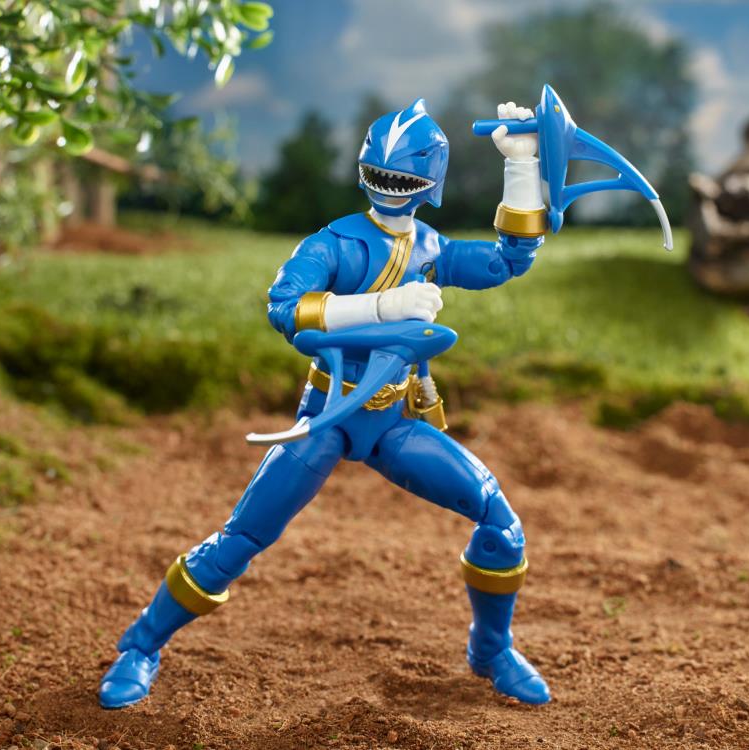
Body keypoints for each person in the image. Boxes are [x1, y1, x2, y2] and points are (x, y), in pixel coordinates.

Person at [99, 98, 551, 708]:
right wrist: (382, 307)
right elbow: (285, 308)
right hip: (329, 415)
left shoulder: (430, 248)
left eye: (403, 177)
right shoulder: (334, 243)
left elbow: (506, 261)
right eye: (380, 174)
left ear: (428, 183)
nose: (390, 186)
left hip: (393, 421)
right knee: (240, 538)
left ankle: (491, 649)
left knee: (501, 523)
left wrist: (521, 165)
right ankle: (141, 645)